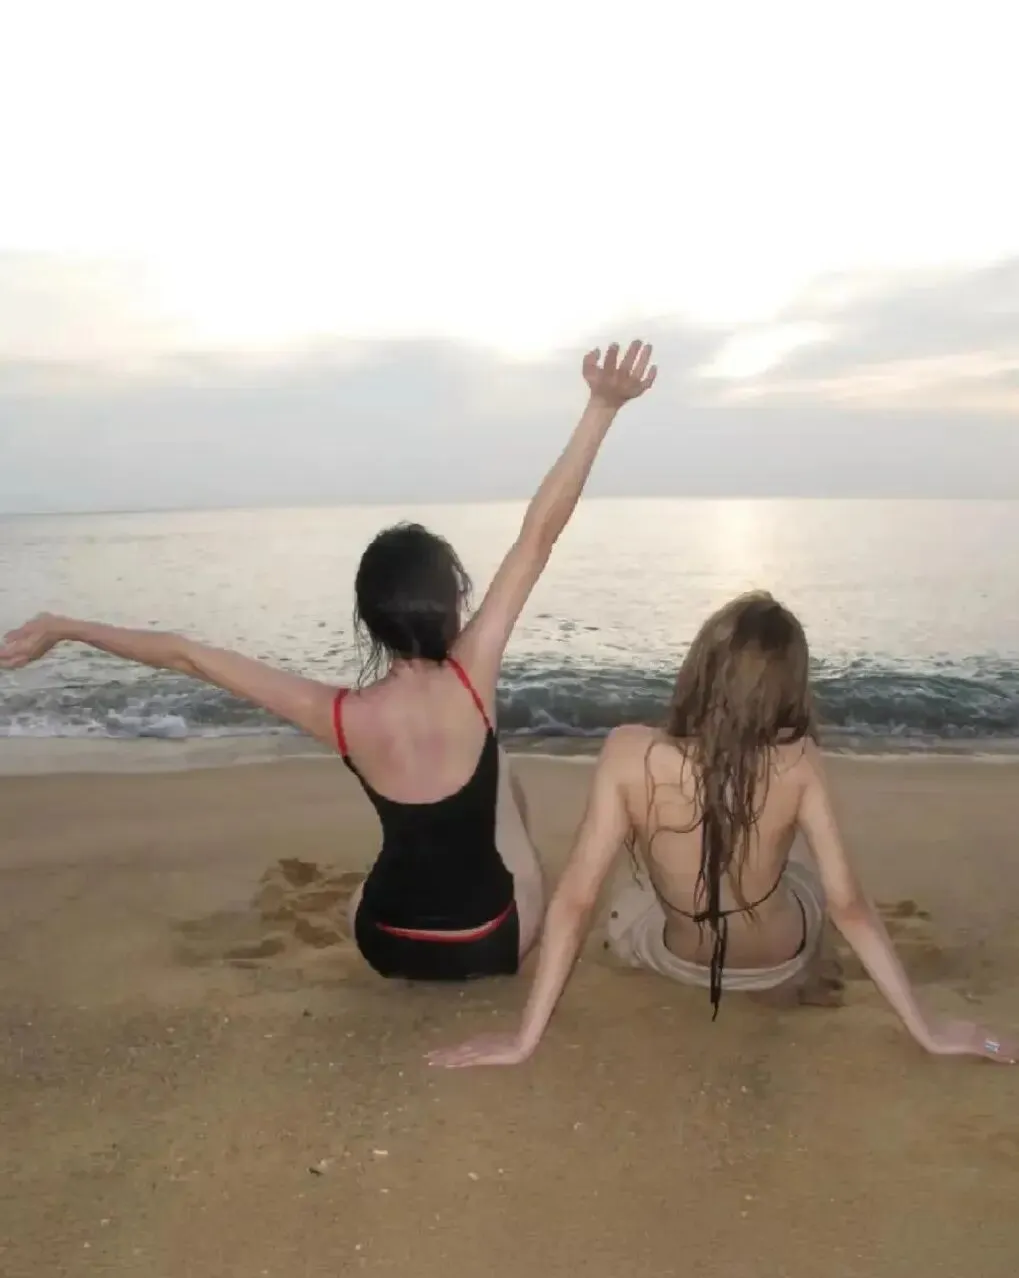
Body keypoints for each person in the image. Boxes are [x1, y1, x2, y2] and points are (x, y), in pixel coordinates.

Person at [0, 337, 656, 984]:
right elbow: (538, 535)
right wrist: (600, 409)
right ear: (454, 600)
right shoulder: (472, 672)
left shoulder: (338, 715)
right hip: (488, 945)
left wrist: (67, 626)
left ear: (369, 622)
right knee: (504, 785)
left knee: (395, 861)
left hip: (385, 942)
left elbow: (187, 656)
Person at [430, 588, 1017, 1065]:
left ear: (700, 667)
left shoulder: (628, 752)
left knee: (626, 902)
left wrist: (524, 1039)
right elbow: (851, 908)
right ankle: (806, 974)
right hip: (782, 956)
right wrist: (927, 1029)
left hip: (680, 959)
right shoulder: (798, 760)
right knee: (803, 878)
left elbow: (575, 901)